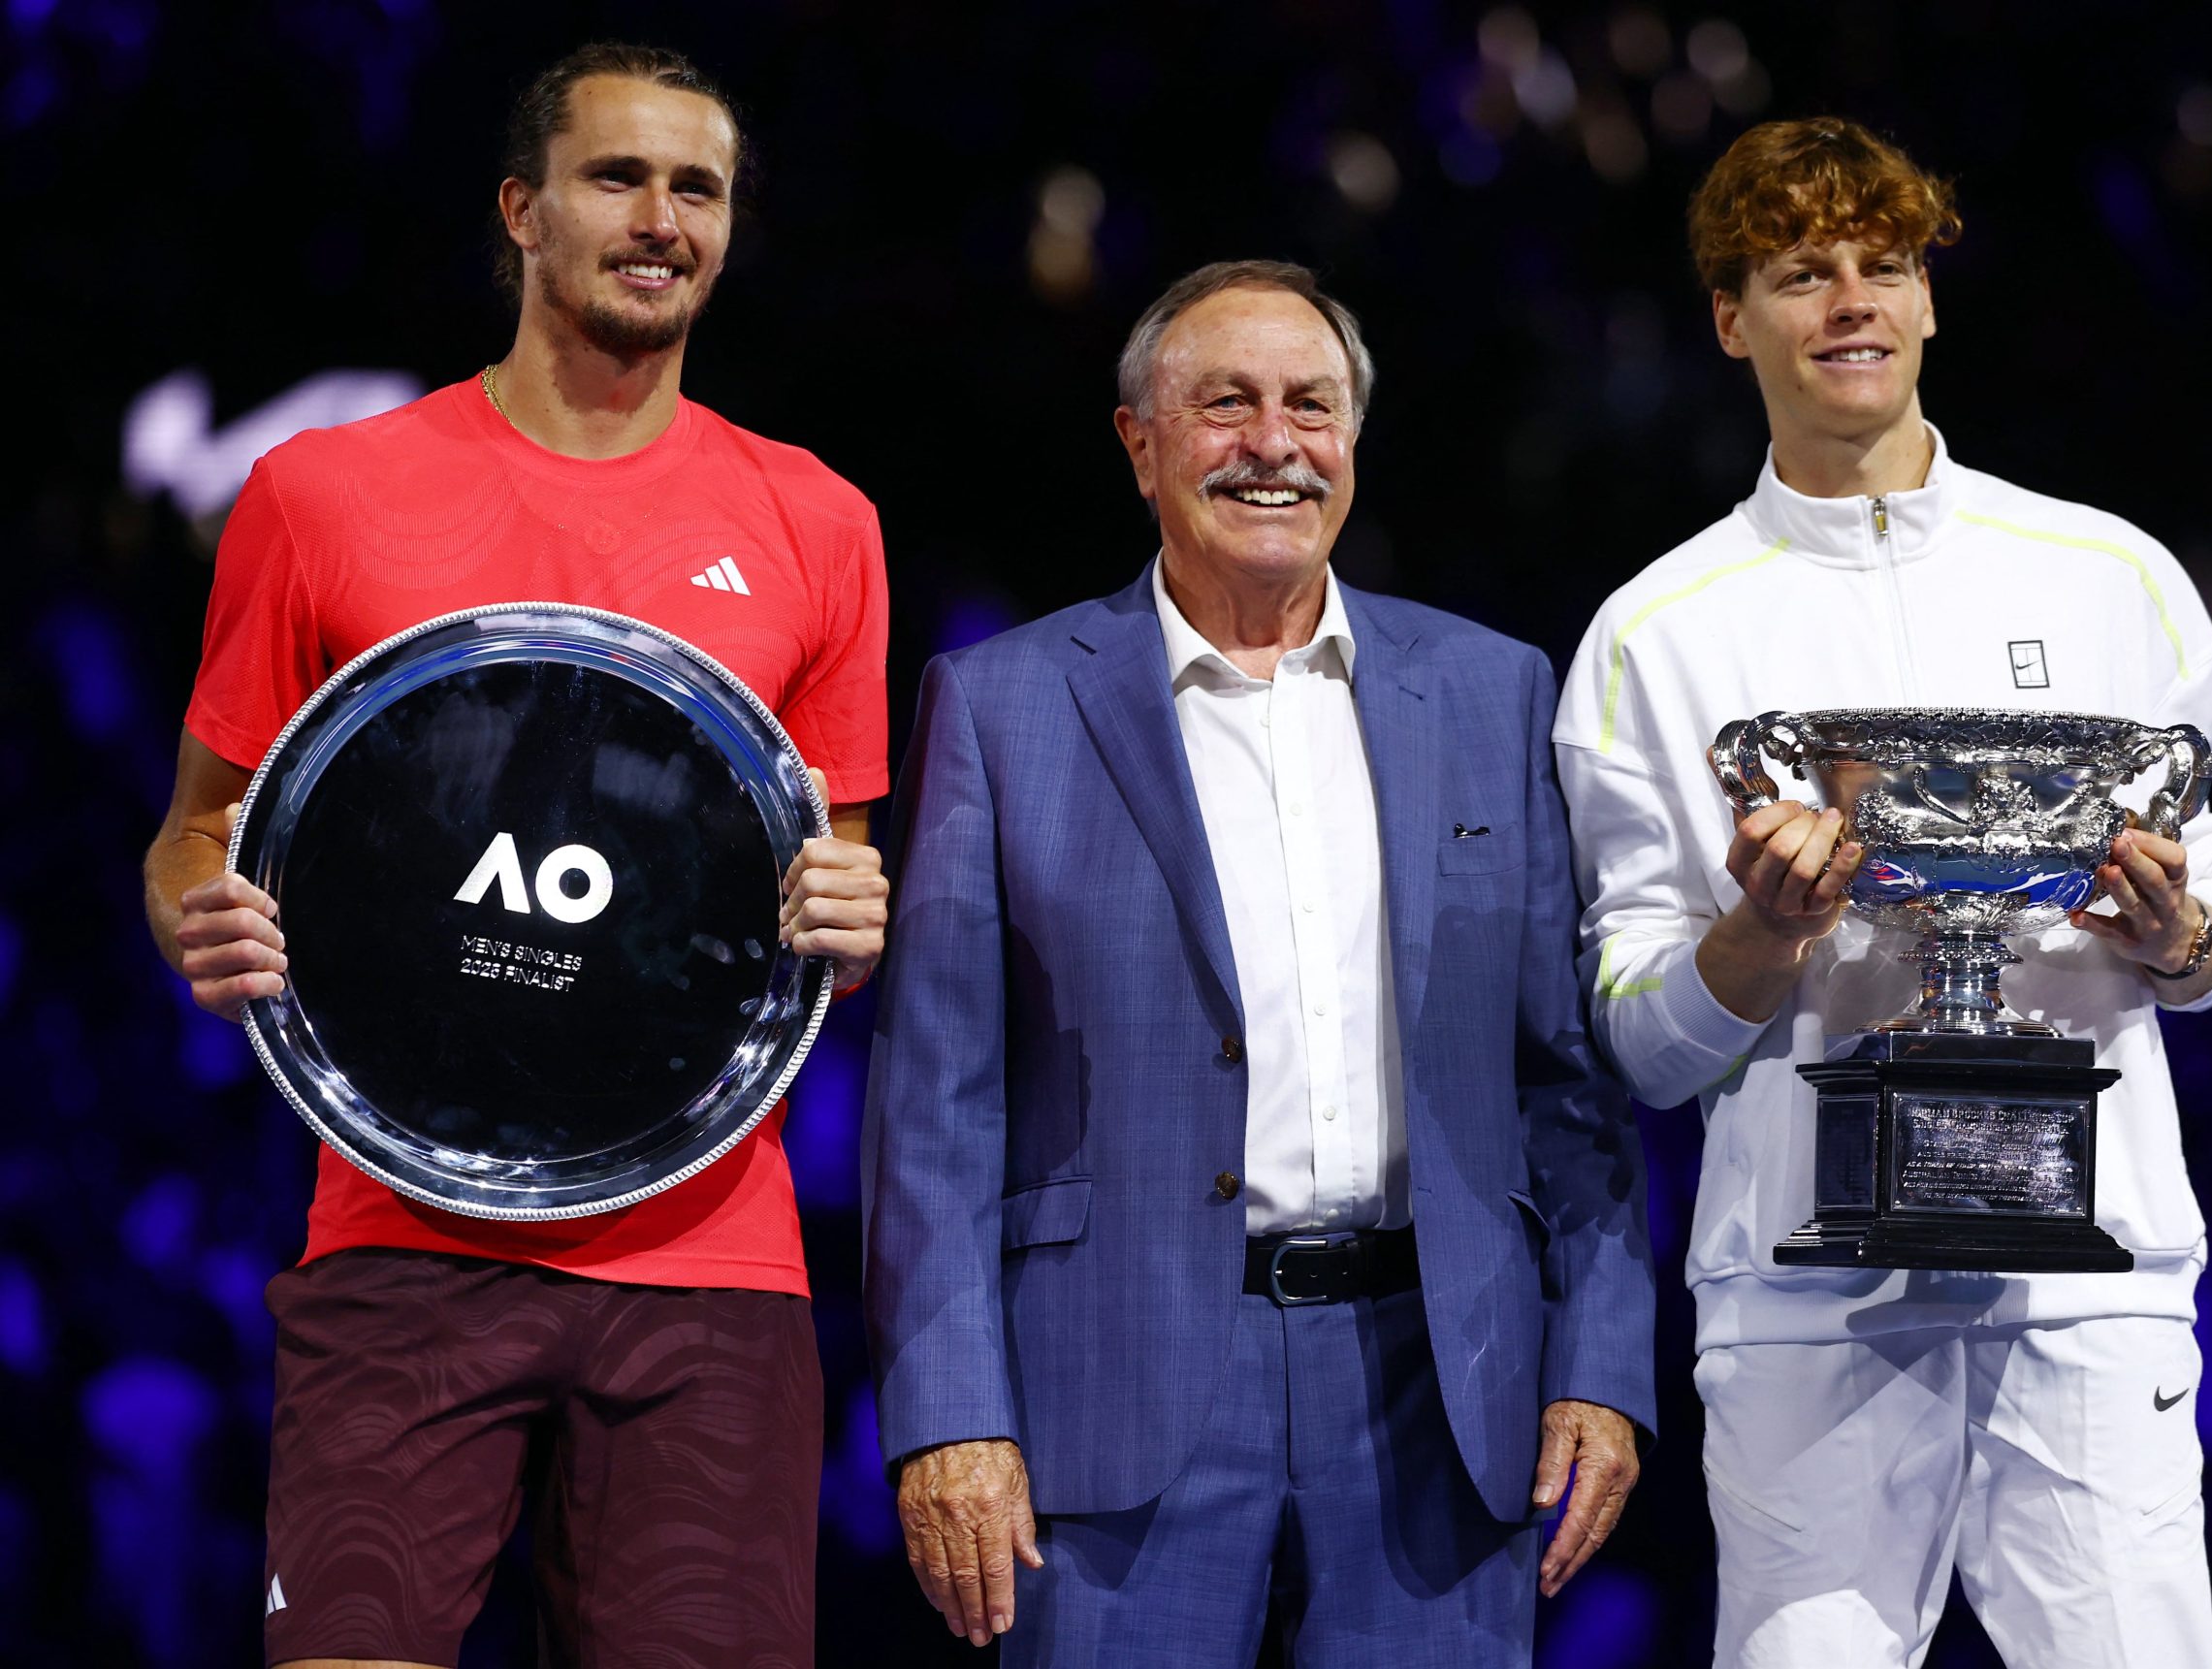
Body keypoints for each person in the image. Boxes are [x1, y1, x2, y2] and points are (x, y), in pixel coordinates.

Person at [138, 43, 889, 1669]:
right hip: (401, 1241)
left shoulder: (819, 520)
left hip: (708, 1268)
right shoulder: (320, 493)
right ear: (524, 211)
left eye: (698, 188)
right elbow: (200, 826)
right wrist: (203, 915)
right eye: (618, 177)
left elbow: (830, 885)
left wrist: (855, 907)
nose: (662, 218)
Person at [861, 259, 1656, 1665]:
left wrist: (1597, 1363)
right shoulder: (1000, 705)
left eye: (1312, 406)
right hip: (1109, 1390)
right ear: (1140, 442)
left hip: (1441, 1389)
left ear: (1354, 439)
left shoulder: (1493, 690)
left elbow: (1563, 1080)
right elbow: (934, 1105)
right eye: (1225, 403)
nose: (1274, 444)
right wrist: (949, 1411)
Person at [1555, 117, 2212, 1667]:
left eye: (1885, 263)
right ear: (1731, 320)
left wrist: (2184, 932)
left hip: (2098, 1280)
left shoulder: (2112, 577)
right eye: (1802, 271)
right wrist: (1758, 938)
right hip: (1805, 1299)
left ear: (1931, 299)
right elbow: (1642, 1040)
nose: (1852, 301)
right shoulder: (1654, 636)